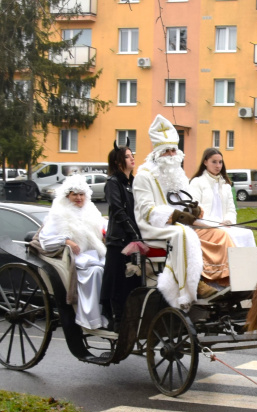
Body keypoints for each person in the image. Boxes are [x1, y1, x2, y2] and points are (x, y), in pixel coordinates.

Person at [133, 114, 232, 309]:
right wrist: (177, 216)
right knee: (185, 234)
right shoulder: (143, 177)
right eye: (166, 151)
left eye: (173, 150)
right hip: (155, 227)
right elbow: (148, 211)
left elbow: (188, 201)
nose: (171, 155)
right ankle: (190, 287)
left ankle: (220, 279)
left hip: (179, 223)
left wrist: (196, 210)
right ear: (157, 153)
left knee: (218, 231)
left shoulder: (178, 175)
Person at [38, 175, 108, 330]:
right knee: (96, 271)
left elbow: (104, 226)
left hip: (96, 254)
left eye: (81, 194)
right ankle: (92, 318)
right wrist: (66, 241)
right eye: (74, 194)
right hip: (77, 258)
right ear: (67, 196)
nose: (78, 198)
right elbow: (46, 240)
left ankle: (111, 314)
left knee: (114, 269)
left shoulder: (91, 210)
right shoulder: (59, 214)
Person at [100, 140, 145, 329]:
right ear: (118, 162)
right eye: (127, 156)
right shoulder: (113, 182)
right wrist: (133, 233)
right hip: (119, 241)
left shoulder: (134, 183)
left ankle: (131, 318)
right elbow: (118, 211)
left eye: (132, 154)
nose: (132, 158)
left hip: (133, 239)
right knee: (117, 281)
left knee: (132, 280)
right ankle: (116, 319)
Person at [187, 148, 256, 248]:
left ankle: (245, 263)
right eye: (214, 162)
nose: (218, 166)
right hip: (205, 226)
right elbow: (197, 210)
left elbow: (231, 209)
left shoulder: (225, 185)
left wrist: (229, 220)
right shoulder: (197, 182)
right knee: (226, 236)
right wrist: (216, 223)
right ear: (205, 162)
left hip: (225, 226)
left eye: (220, 162)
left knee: (247, 233)